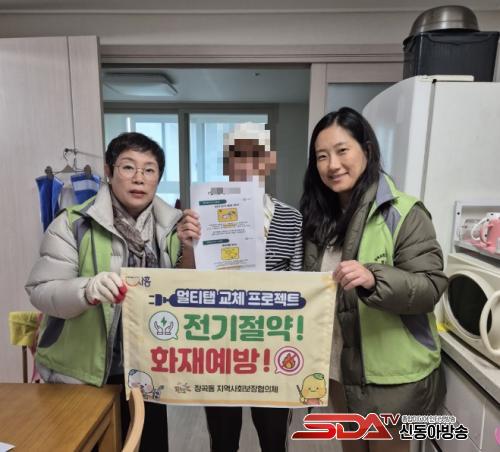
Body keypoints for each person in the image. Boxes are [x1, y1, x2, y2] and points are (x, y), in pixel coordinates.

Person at [26, 132, 185, 452]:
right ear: (110, 172)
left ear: (158, 178)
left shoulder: (172, 229)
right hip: (83, 374)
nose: (139, 178)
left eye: (149, 170)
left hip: (148, 371)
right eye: (128, 167)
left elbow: (185, 294)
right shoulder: (72, 224)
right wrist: (87, 289)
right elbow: (41, 291)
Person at [300, 107, 447, 452]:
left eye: (342, 150)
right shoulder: (318, 219)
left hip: (389, 376)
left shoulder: (404, 213)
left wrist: (374, 278)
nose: (332, 165)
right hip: (337, 367)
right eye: (322, 156)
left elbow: (430, 287)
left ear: (366, 149)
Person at [177, 122, 302, 452]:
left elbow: (300, 285)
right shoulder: (203, 214)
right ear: (226, 163)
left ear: (270, 161)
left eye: (256, 154)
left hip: (272, 345)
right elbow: (185, 283)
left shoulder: (291, 219)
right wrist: (188, 245)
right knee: (222, 440)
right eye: (238, 155)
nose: (247, 164)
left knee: (274, 439)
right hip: (221, 345)